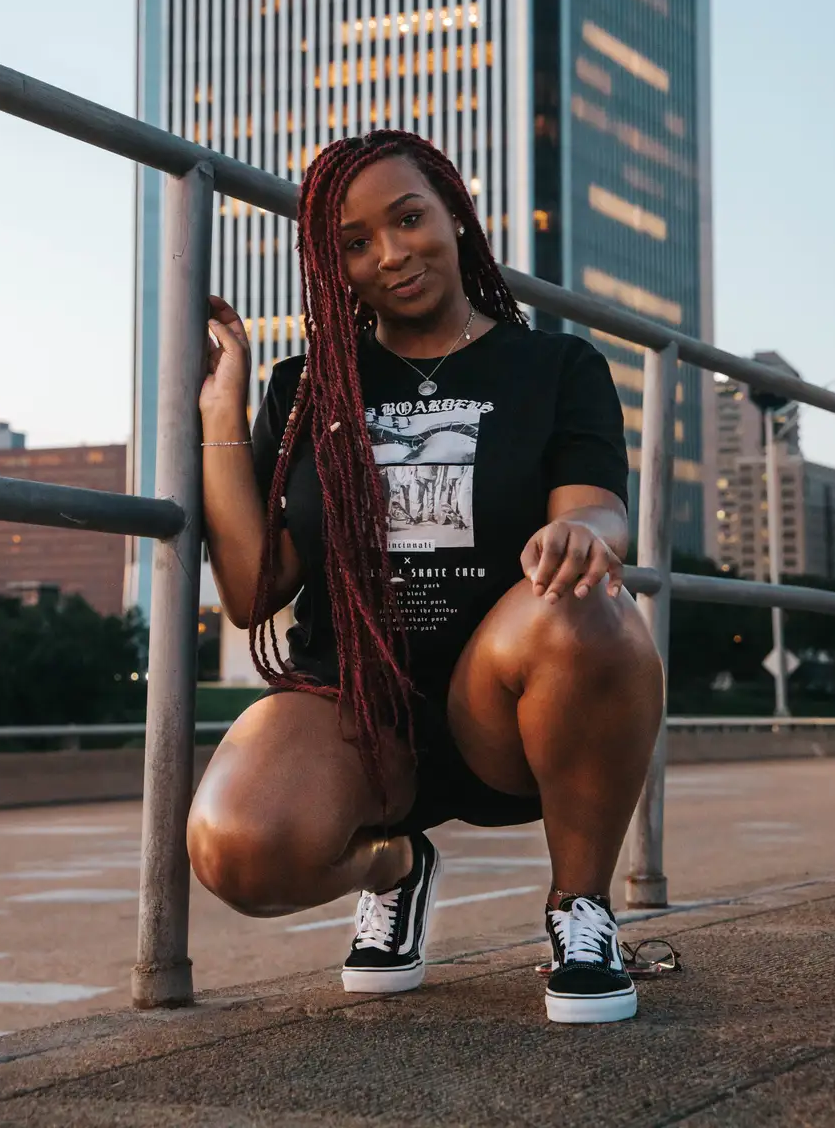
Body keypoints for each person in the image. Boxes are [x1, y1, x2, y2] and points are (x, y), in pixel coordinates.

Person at [189, 129, 663, 1025]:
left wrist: (581, 532)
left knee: (591, 605)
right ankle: (397, 865)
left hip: (500, 706)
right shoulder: (305, 389)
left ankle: (580, 908)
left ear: (453, 214)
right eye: (355, 244)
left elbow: (599, 507)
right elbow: (253, 592)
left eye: (409, 219)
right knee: (237, 849)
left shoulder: (555, 367)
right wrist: (224, 407)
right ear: (333, 269)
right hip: (354, 707)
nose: (392, 254)